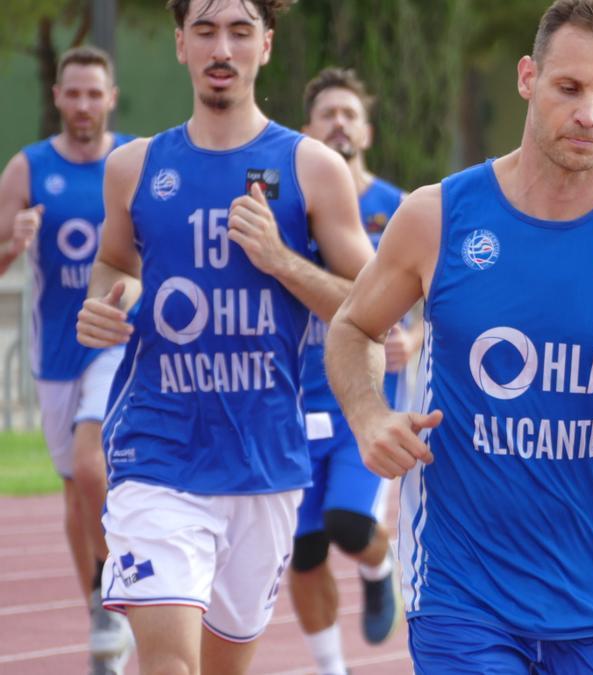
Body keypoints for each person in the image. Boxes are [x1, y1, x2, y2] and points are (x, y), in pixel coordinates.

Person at [324, 0, 593, 671]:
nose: (588, 114)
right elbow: (352, 327)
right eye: (569, 88)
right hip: (462, 593)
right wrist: (368, 412)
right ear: (528, 78)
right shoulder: (437, 216)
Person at [74, 1, 375, 673]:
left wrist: (282, 261)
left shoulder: (312, 168)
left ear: (265, 46)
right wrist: (106, 300)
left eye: (240, 31)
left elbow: (370, 305)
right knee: (171, 664)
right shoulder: (135, 166)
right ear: (180, 43)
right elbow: (114, 264)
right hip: (157, 452)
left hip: (263, 460)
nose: (222, 48)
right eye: (205, 30)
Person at [0, 45, 135, 675]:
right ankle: (99, 609)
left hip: (114, 341)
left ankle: (118, 596)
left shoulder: (135, 161)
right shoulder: (27, 169)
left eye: (94, 94)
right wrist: (12, 243)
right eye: (72, 93)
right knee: (74, 498)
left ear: (111, 97)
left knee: (92, 468)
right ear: (57, 97)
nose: (83, 105)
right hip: (55, 354)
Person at [289, 66, 420, 675]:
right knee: (305, 550)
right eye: (327, 115)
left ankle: (378, 564)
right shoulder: (289, 206)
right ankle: (330, 668)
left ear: (365, 131)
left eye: (349, 114)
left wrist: (411, 338)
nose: (339, 124)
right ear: (307, 130)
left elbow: (438, 304)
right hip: (291, 404)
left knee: (346, 522)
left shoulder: (397, 209)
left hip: (364, 401)